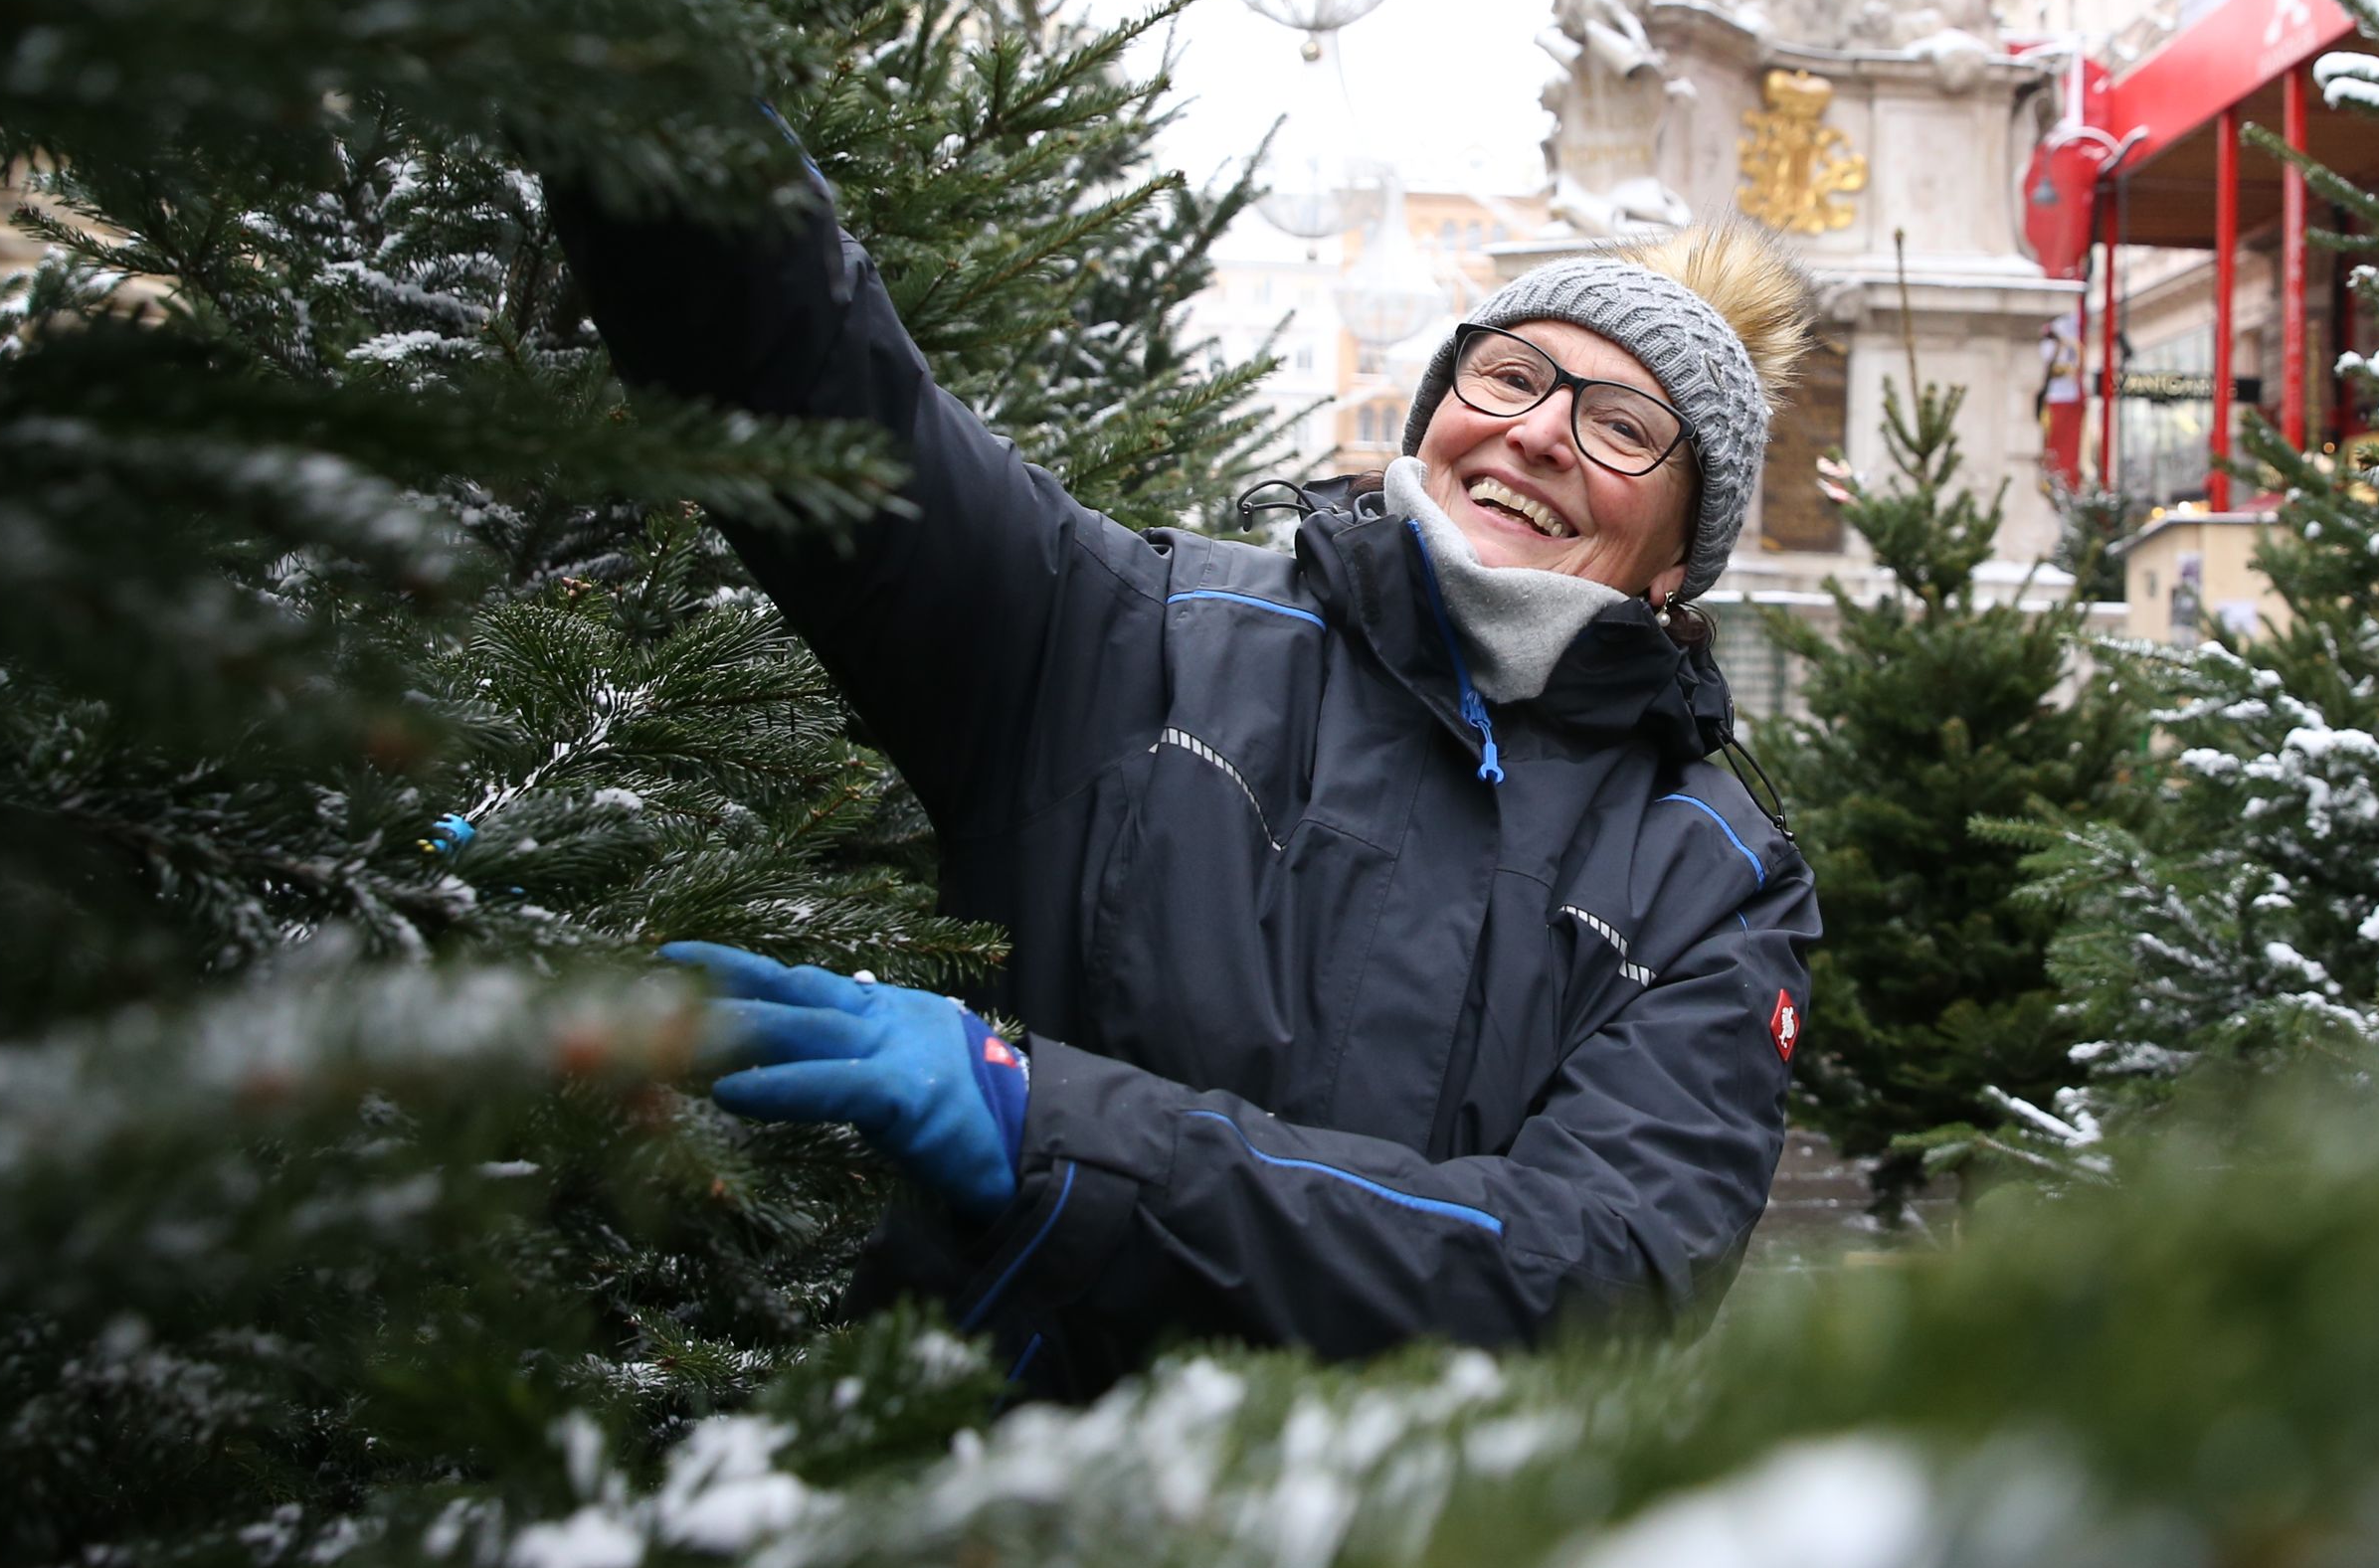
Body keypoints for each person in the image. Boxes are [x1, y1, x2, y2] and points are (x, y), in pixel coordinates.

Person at [556, 155, 1823, 1398]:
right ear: (1438, 408)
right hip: (997, 1492)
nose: (1537, 432)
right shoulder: (1139, 635)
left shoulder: (1711, 878)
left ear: (1680, 558)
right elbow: (815, 389)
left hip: (1430, 1533)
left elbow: (1604, 1271)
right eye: (1510, 374)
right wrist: (665, 110)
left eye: (1621, 427)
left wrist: (1056, 1134)